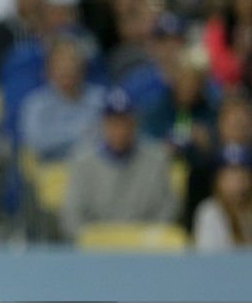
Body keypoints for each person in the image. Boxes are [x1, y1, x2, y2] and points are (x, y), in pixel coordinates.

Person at [61, 87, 179, 239]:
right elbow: (72, 214)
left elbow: (168, 207)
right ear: (103, 124)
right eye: (113, 123)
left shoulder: (156, 159)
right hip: (97, 248)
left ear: (135, 123)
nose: (120, 130)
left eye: (125, 122)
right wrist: (91, 239)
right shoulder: (83, 161)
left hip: (145, 247)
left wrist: (150, 236)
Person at [193, 145, 252, 250]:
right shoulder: (209, 211)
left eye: (242, 173)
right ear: (218, 180)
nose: (237, 182)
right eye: (230, 175)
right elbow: (209, 258)